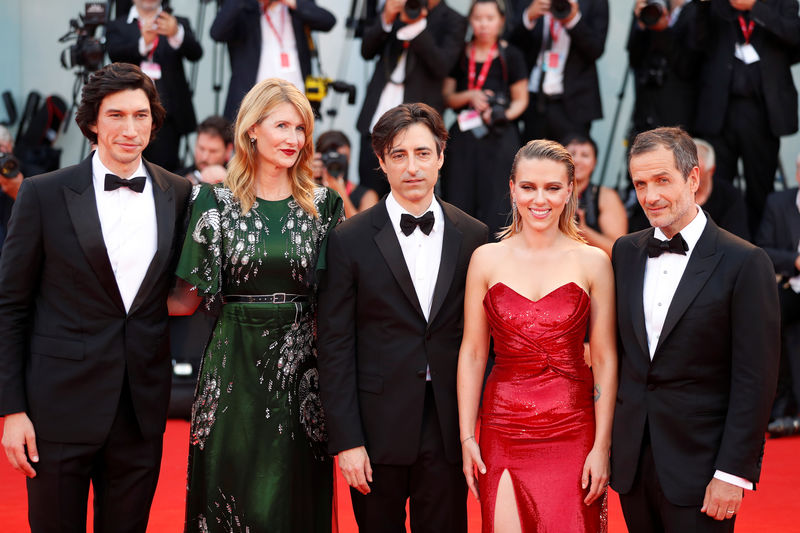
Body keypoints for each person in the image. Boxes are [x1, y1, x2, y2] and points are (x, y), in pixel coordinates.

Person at [0, 62, 192, 533]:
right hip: (57, 410)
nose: (130, 129)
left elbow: (179, 292)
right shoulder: (43, 194)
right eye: (116, 115)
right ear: (92, 122)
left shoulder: (180, 193)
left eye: (141, 116)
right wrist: (11, 410)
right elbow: (11, 306)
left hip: (140, 412)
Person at [168, 78, 343, 532]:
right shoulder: (216, 201)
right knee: (233, 487)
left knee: (291, 493)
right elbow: (186, 300)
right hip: (233, 364)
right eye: (281, 125)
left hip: (302, 368)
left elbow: (338, 298)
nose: (293, 139)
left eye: (300, 128)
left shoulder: (324, 205)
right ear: (251, 130)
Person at [317, 103, 488, 532]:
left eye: (423, 153)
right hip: (376, 425)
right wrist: (348, 441)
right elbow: (335, 345)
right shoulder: (349, 240)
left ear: (441, 156)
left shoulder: (474, 235)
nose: (412, 167)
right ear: (381, 162)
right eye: (398, 155)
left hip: (447, 425)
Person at [611, 126, 780, 532]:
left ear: (693, 178)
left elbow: (755, 380)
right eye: (640, 183)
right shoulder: (625, 252)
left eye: (662, 180)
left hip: (703, 470)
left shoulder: (745, 262)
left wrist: (732, 473)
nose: (649, 196)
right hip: (633, 466)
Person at [457, 139, 616, 532]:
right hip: (503, 425)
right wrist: (466, 437)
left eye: (552, 188)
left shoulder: (594, 261)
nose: (539, 199)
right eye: (528, 187)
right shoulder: (485, 259)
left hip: (574, 424)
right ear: (512, 189)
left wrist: (602, 446)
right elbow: (474, 352)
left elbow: (607, 358)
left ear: (569, 191)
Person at [692, 0, 800, 236]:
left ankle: (759, 257)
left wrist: (755, 6)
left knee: (760, 187)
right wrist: (700, 6)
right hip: (720, 110)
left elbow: (794, 37)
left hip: (763, 111)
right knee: (717, 186)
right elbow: (696, 43)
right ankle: (713, 249)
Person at [356, 0, 467, 198]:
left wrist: (416, 26)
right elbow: (366, 51)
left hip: (417, 121)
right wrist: (387, 18)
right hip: (376, 118)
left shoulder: (453, 20)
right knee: (369, 193)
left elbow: (442, 65)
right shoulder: (397, 7)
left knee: (412, 195)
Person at [441, 0, 529, 239]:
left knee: (497, 200)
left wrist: (500, 115)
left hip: (500, 135)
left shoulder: (511, 54)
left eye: (490, 19)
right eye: (478, 18)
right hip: (464, 134)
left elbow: (521, 100)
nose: (483, 25)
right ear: (470, 21)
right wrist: (470, 95)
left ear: (501, 21)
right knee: (458, 196)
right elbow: (447, 96)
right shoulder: (461, 52)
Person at [106, 0, 203, 172]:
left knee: (165, 171)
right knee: (130, 166)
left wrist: (176, 33)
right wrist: (143, 43)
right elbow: (115, 54)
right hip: (130, 108)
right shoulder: (118, 24)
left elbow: (195, 53)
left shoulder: (176, 22)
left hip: (168, 113)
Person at [210, 0, 336, 122]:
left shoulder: (294, 7)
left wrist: (292, 2)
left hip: (296, 98)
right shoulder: (245, 6)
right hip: (254, 101)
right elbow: (217, 33)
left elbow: (328, 21)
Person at [509, 0, 609, 144]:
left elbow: (596, 50)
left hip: (573, 103)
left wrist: (573, 20)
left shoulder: (595, 2)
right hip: (532, 99)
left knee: (566, 161)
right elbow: (510, 43)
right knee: (528, 158)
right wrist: (528, 17)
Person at [755, 153, 800, 433]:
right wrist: (795, 261)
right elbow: (763, 251)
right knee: (766, 320)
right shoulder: (778, 203)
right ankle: (777, 408)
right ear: (797, 174)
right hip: (790, 286)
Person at [627, 0, 701, 138]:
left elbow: (687, 67)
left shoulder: (700, 10)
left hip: (676, 120)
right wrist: (641, 24)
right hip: (644, 114)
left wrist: (663, 31)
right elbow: (634, 60)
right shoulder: (652, 6)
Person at [564, 133, 627, 257]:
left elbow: (619, 251)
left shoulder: (605, 196)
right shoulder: (544, 191)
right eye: (572, 154)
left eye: (585, 155)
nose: (577, 160)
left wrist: (583, 230)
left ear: (594, 163)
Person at [312, 129, 379, 218]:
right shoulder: (308, 189)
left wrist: (340, 194)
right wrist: (305, 180)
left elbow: (362, 230)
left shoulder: (367, 196)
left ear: (349, 158)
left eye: (340, 158)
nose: (335, 163)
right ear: (319, 159)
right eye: (331, 158)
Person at [693, 138, 750, 241]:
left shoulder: (730, 196)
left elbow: (738, 242)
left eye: (697, 172)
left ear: (711, 170)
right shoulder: (671, 195)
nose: (690, 178)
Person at [175, 115, 234, 185]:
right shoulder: (177, 180)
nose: (204, 157)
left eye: (213, 151)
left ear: (228, 150)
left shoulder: (238, 183)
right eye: (201, 148)